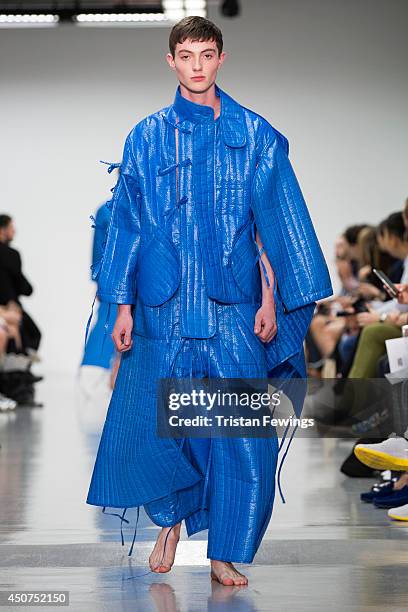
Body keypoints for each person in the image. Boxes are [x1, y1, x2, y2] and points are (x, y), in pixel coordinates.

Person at [86, 16, 332, 586]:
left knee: (242, 429)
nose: (197, 66)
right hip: (164, 304)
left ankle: (225, 550)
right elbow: (128, 224)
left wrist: (273, 297)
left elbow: (274, 224)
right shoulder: (146, 136)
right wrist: (120, 304)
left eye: (207, 54)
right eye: (186, 55)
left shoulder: (256, 134)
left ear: (221, 58)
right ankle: (169, 521)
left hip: (234, 305)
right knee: (166, 421)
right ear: (171, 61)